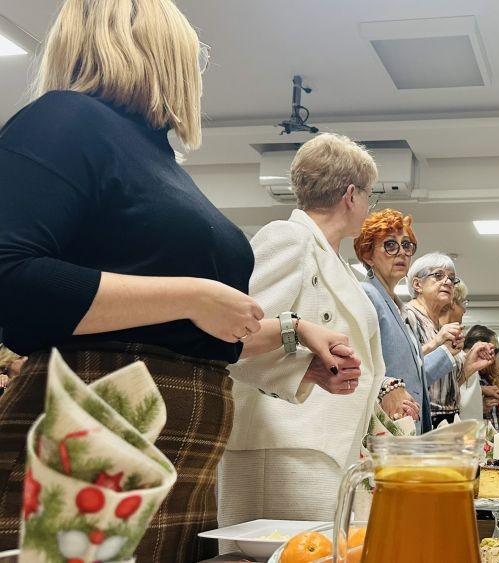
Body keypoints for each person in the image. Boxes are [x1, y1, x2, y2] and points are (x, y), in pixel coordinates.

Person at [0, 1, 352, 558]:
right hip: (96, 437)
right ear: (159, 45)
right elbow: (11, 279)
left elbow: (178, 330)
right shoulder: (66, 119)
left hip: (173, 450)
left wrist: (293, 333)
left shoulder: (157, 160)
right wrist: (190, 295)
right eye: (196, 52)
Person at [219, 135, 422, 539]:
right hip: (285, 451)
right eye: (369, 195)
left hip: (328, 449)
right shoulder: (288, 238)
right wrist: (303, 367)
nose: (368, 205)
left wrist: (379, 388)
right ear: (351, 195)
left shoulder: (336, 261)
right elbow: (235, 338)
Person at [355, 210, 490, 433]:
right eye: (390, 245)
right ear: (368, 255)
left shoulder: (397, 308)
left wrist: (454, 358)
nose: (402, 252)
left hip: (408, 425)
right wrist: (386, 386)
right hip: (383, 427)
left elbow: (415, 378)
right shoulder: (367, 295)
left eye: (407, 245)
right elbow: (357, 362)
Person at [404, 253, 484, 427]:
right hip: (421, 419)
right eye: (438, 275)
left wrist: (469, 366)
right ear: (417, 284)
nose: (448, 282)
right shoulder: (408, 316)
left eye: (452, 279)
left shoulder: (438, 325)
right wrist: (435, 344)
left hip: (448, 419)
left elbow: (440, 386)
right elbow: (404, 370)